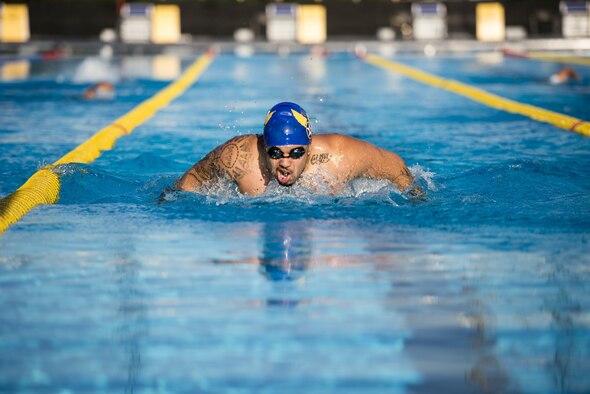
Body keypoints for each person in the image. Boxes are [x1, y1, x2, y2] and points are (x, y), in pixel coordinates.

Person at [176, 102, 415, 196]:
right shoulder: (239, 156)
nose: (285, 162)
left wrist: (417, 200)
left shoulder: (342, 156)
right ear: (264, 147)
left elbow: (396, 168)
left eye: (296, 152)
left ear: (309, 148)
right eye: (275, 153)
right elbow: (189, 183)